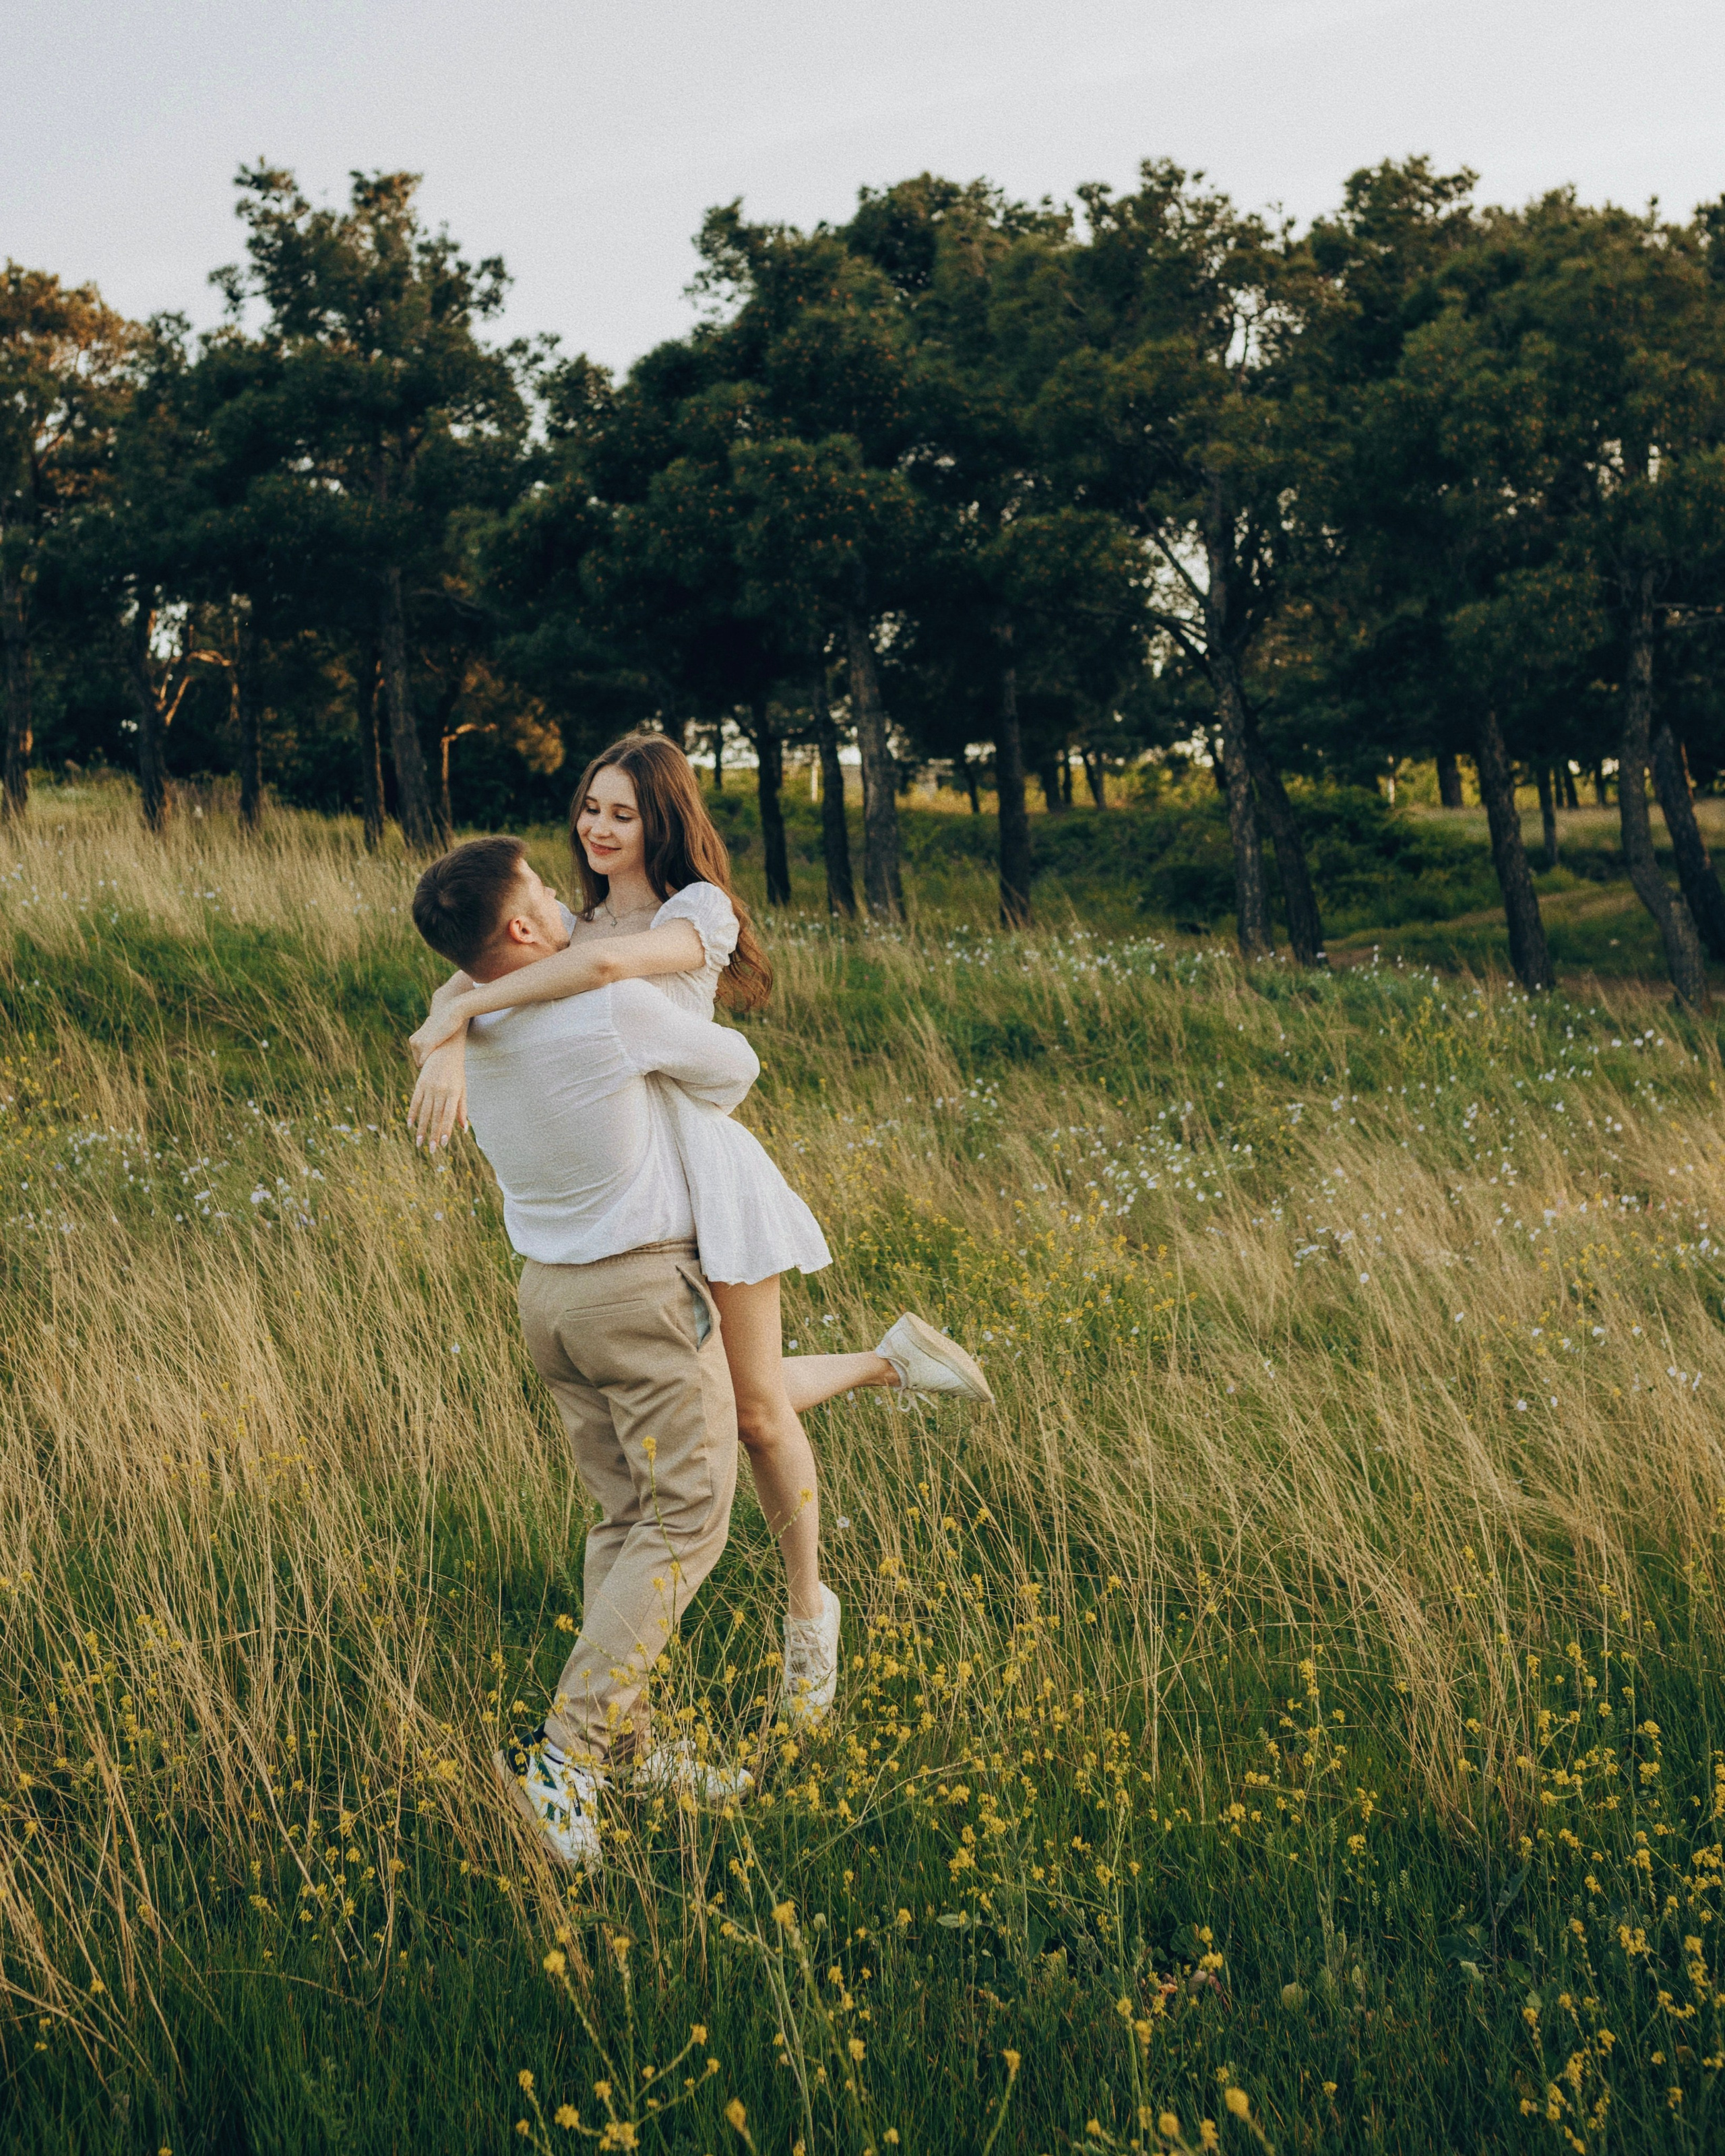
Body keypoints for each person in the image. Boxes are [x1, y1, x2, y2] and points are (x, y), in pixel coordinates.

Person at [407, 734, 992, 1717]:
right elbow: (470, 970)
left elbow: (594, 975)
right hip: (639, 1193)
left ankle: (809, 1614)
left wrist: (458, 1018)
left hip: (707, 1175)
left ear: (663, 822)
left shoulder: (696, 912)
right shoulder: (568, 922)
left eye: (623, 814)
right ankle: (887, 1362)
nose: (598, 829)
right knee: (720, 1404)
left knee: (754, 1415)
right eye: (591, 808)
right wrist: (449, 1035)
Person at [409, 832, 760, 1870]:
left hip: (551, 1302)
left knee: (625, 1517)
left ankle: (628, 1745)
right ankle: (567, 1757)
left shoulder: (473, 1027)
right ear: (524, 929)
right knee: (686, 1518)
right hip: (644, 1294)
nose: (572, 904)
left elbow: (469, 994)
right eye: (548, 895)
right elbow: (736, 1068)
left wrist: (451, 1022)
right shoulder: (610, 1009)